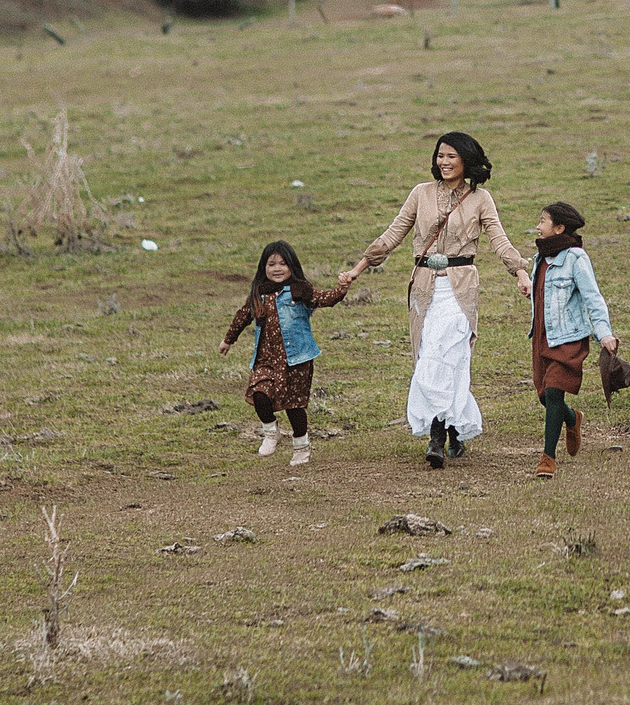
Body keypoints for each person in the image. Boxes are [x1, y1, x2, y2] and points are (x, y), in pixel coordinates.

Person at [338, 132, 529, 469]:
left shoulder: (481, 199)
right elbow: (393, 233)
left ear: (466, 160)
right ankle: (453, 428)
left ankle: (437, 438)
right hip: (424, 287)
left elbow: (499, 239)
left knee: (447, 355)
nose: (444, 162)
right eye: (440, 155)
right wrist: (359, 268)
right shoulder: (420, 194)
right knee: (430, 356)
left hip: (461, 289)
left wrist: (519, 272)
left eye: (451, 156)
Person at [220, 239, 347, 466]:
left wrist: (342, 289)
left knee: (294, 405)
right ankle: (271, 431)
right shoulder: (259, 294)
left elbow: (324, 299)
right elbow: (243, 316)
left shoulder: (300, 291)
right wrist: (228, 340)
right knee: (259, 393)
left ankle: (301, 446)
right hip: (266, 359)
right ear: (263, 268)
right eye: (271, 264)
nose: (277, 269)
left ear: (292, 266)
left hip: (297, 359)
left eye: (282, 264)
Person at [521, 200, 615, 478]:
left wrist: (604, 333)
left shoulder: (575, 258)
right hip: (541, 338)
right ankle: (572, 418)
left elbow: (592, 297)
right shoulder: (541, 258)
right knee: (545, 397)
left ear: (559, 228)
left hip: (569, 337)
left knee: (553, 392)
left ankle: (547, 459)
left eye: (542, 221)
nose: (537, 226)